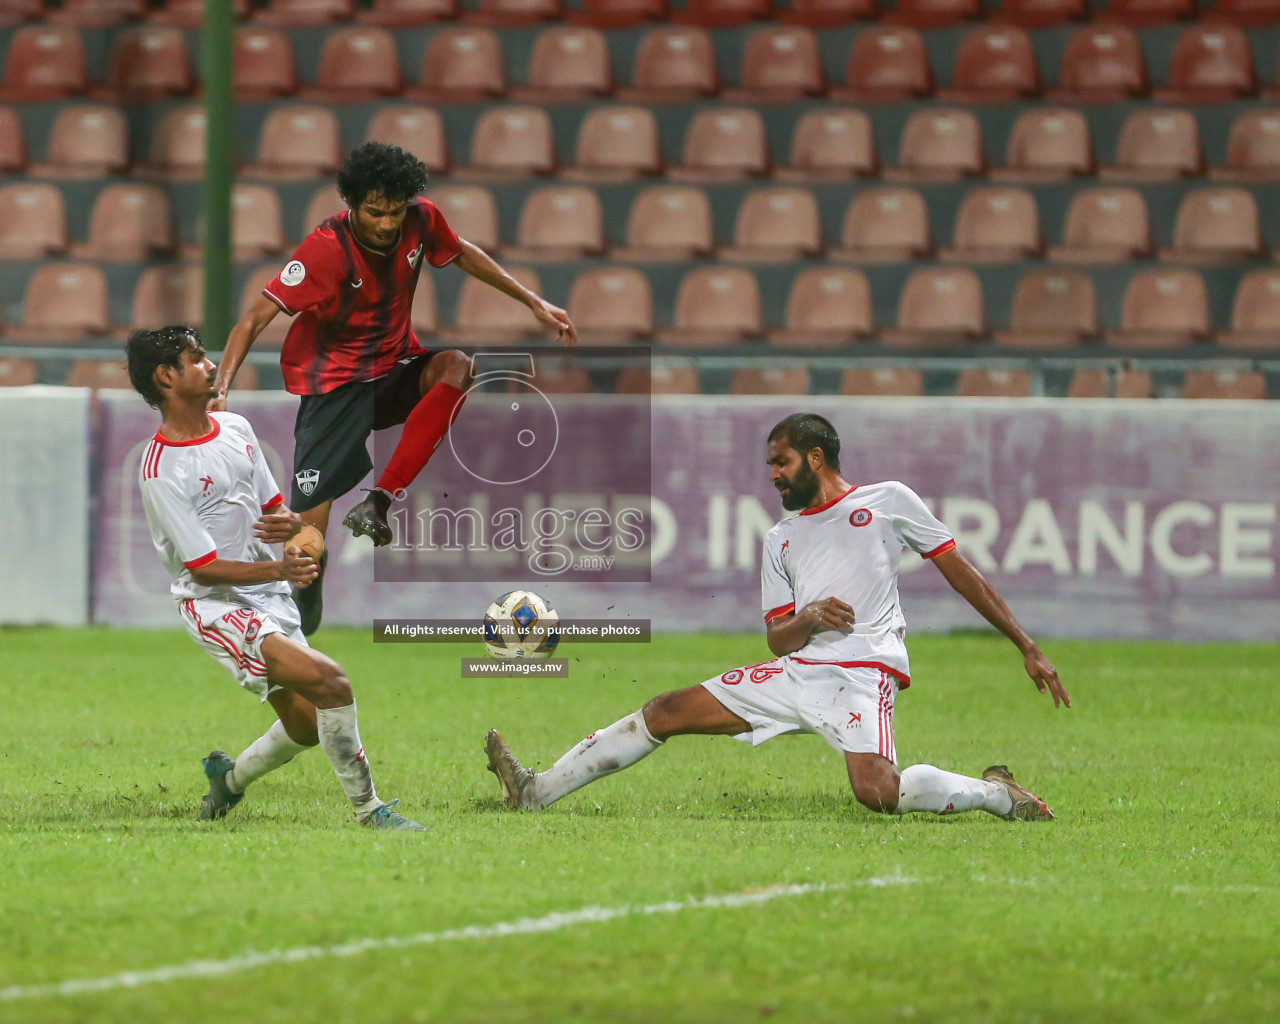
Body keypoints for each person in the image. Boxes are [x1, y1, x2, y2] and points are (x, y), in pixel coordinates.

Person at [485, 412, 1072, 822]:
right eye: (770, 464)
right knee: (665, 711)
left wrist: (1026, 644)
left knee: (877, 794)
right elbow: (776, 638)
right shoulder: (780, 539)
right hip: (797, 674)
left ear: (815, 457)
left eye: (781, 462)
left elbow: (958, 568)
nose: (773, 474)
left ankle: (997, 794)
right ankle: (536, 793)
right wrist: (811, 617)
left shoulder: (887, 500)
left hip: (862, 674)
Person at [211, 142, 577, 634]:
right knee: (306, 539)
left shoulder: (421, 219)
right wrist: (221, 387)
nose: (387, 223)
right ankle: (303, 600)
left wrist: (532, 301)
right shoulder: (325, 249)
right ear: (352, 204)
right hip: (334, 388)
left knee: (457, 367)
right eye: (375, 211)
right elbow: (255, 318)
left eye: (395, 211)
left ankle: (380, 500)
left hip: (393, 367)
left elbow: (463, 254)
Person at [127, 325, 425, 830]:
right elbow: (203, 567)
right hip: (217, 606)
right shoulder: (161, 469)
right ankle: (370, 811)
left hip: (269, 594)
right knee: (332, 682)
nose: (210, 366)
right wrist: (281, 567)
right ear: (165, 377)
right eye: (196, 358)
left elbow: (277, 512)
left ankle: (229, 780)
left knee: (306, 726)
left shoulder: (237, 429)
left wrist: (298, 533)